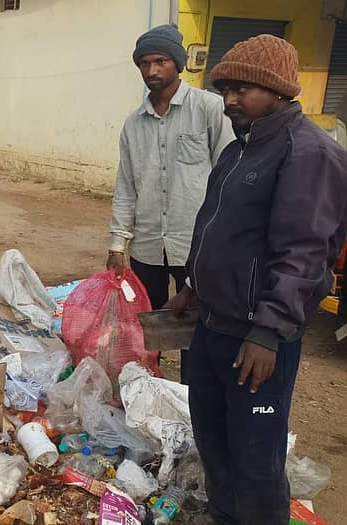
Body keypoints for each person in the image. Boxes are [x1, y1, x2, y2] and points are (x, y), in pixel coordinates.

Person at [169, 35, 347, 524]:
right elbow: (216, 229)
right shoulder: (239, 150)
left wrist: (268, 332)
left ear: (280, 91)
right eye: (224, 88)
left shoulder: (307, 154)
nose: (228, 99)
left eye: (243, 88)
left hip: (258, 340)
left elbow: (305, 255)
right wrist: (192, 286)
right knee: (214, 441)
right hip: (212, 328)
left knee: (256, 459)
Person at [108, 24, 234, 310]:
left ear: (178, 63)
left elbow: (228, 179)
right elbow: (126, 187)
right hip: (147, 246)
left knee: (196, 325)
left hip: (196, 244)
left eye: (160, 62)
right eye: (145, 63)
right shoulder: (133, 123)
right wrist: (117, 244)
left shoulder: (209, 109)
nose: (152, 71)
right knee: (149, 323)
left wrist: (223, 241)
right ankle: (152, 358)